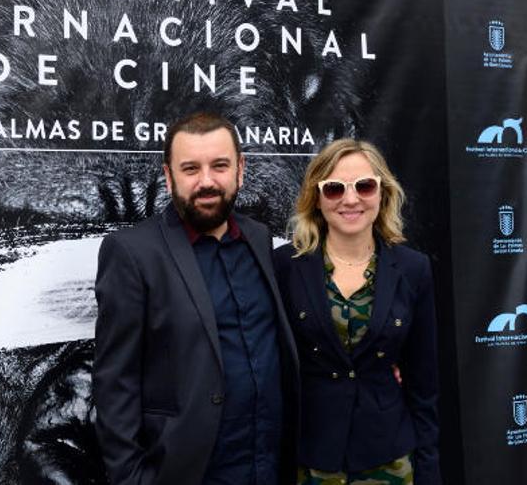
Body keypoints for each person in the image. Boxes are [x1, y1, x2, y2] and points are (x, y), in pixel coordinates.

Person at [93, 112, 300, 485]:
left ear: (241, 169)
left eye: (219, 165)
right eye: (190, 169)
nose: (207, 181)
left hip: (267, 466)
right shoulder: (132, 253)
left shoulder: (258, 238)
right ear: (169, 176)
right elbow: (114, 384)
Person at [273, 139, 440, 484]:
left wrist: (429, 470)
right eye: (334, 189)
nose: (351, 200)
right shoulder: (285, 266)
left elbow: (424, 386)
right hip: (311, 459)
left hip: (389, 458)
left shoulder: (413, 269)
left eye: (364, 186)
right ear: (317, 199)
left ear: (383, 192)